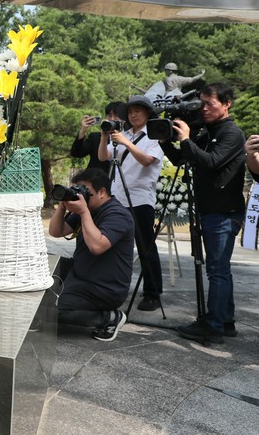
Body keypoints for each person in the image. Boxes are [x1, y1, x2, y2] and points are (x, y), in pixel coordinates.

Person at [159, 83, 246, 344]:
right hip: (210, 210)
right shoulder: (206, 131)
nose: (204, 108)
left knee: (217, 271)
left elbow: (211, 161)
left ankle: (213, 326)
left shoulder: (232, 133)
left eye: (210, 103)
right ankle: (225, 322)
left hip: (223, 212)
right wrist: (165, 141)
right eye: (201, 103)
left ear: (227, 104)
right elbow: (182, 159)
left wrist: (186, 138)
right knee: (221, 270)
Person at [49, 168, 135, 341]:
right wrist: (63, 204)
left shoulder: (118, 215)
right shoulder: (89, 208)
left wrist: (83, 212)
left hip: (104, 286)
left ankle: (109, 318)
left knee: (54, 311)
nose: (79, 195)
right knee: (43, 265)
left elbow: (97, 246)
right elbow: (56, 231)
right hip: (81, 272)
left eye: (84, 191)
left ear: (102, 192)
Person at [98, 95, 164, 311]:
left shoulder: (154, 136)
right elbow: (103, 157)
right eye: (130, 111)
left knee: (145, 248)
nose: (133, 114)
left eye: (138, 110)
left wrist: (126, 143)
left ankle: (153, 294)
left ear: (147, 113)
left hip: (140, 199)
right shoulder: (122, 134)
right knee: (113, 245)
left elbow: (146, 161)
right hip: (118, 197)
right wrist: (104, 137)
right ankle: (111, 288)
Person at [69, 102, 124, 174]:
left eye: (116, 116)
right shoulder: (95, 137)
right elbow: (76, 153)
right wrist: (83, 130)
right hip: (97, 178)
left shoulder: (128, 138)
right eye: (109, 116)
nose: (112, 119)